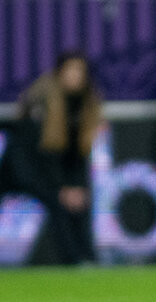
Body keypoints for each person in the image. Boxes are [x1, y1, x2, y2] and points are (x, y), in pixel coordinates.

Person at [0, 52, 102, 265]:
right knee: (60, 202)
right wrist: (60, 189)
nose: (75, 76)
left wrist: (76, 186)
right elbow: (36, 158)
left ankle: (87, 258)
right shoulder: (42, 103)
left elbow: (77, 156)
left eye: (80, 71)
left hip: (55, 175)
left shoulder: (84, 106)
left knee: (80, 199)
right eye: (71, 70)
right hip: (22, 171)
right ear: (59, 73)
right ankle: (73, 259)